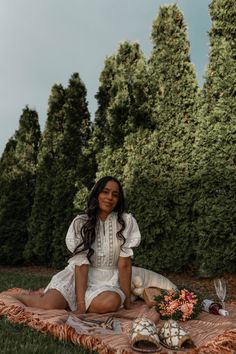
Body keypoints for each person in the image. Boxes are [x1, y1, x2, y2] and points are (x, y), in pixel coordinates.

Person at [14, 176, 141, 314]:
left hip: (108, 283)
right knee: (48, 304)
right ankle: (21, 297)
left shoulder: (126, 222)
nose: (110, 197)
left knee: (110, 303)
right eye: (105, 192)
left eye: (115, 195)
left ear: (118, 199)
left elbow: (125, 265)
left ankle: (70, 302)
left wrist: (127, 302)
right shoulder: (81, 223)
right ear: (97, 194)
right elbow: (81, 265)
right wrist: (81, 305)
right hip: (78, 277)